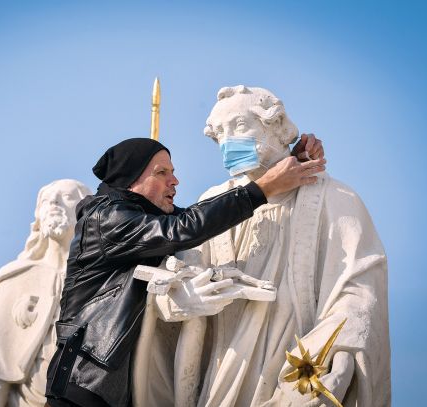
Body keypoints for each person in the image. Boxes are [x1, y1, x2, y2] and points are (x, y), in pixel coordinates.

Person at [134, 86, 390, 407]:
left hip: (295, 364)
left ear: (277, 126)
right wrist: (181, 299)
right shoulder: (214, 203)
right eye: (220, 133)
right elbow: (178, 279)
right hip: (222, 368)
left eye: (240, 127)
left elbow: (359, 289)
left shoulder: (336, 199)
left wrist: (330, 353)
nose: (228, 141)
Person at [45, 137, 326, 407]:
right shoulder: (105, 218)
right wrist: (264, 187)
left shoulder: (142, 220)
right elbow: (184, 228)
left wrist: (287, 165)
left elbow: (198, 216)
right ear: (130, 181)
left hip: (109, 390)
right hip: (82, 384)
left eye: (173, 172)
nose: (174, 181)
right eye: (161, 172)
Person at [0, 179, 92, 407]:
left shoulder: (101, 277)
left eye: (66, 197)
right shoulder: (17, 278)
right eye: (46, 200)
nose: (54, 202)